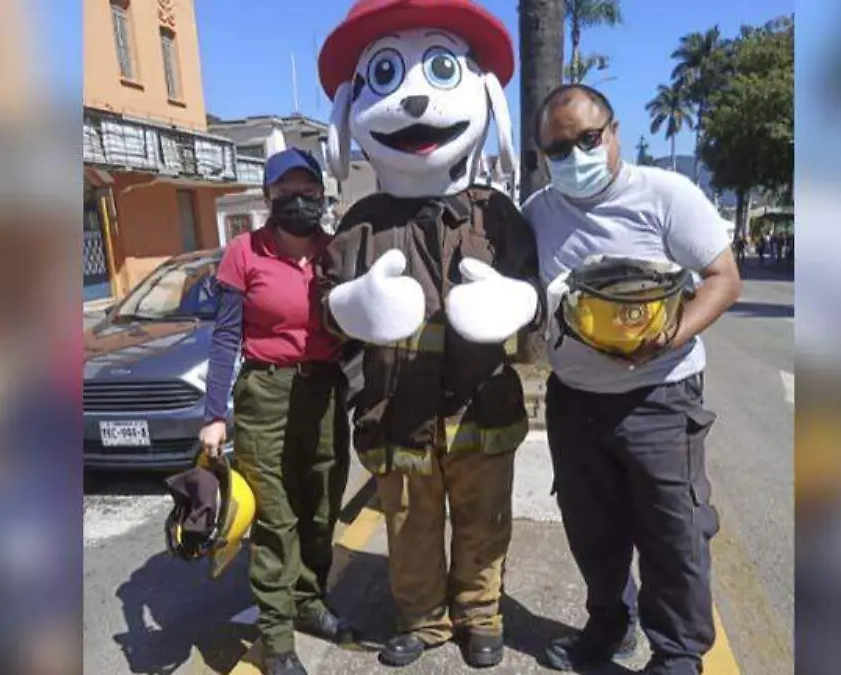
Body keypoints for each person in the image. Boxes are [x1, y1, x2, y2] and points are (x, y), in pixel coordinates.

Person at [315, 0, 540, 668]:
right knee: (409, 526)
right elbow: (326, 307)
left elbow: (534, 293)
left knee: (484, 521)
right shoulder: (360, 222)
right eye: (388, 74)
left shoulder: (497, 214)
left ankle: (480, 615)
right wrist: (352, 304)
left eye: (440, 69)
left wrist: (515, 300)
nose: (414, 101)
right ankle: (423, 619)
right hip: (396, 412)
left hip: (481, 408)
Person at [522, 84, 742, 675]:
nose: (575, 155)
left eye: (588, 139)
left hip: (662, 399)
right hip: (574, 401)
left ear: (614, 131)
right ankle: (610, 627)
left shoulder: (667, 195)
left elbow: (723, 277)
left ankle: (676, 655)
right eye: (558, 148)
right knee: (593, 529)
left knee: (673, 532)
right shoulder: (539, 213)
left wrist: (670, 336)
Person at [198, 148, 352, 675]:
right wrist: (213, 413)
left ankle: (310, 601)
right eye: (287, 192)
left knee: (321, 505)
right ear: (267, 197)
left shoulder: (335, 253)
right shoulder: (243, 252)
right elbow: (225, 339)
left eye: (309, 191)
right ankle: (277, 639)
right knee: (276, 518)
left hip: (325, 390)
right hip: (264, 393)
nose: (300, 201)